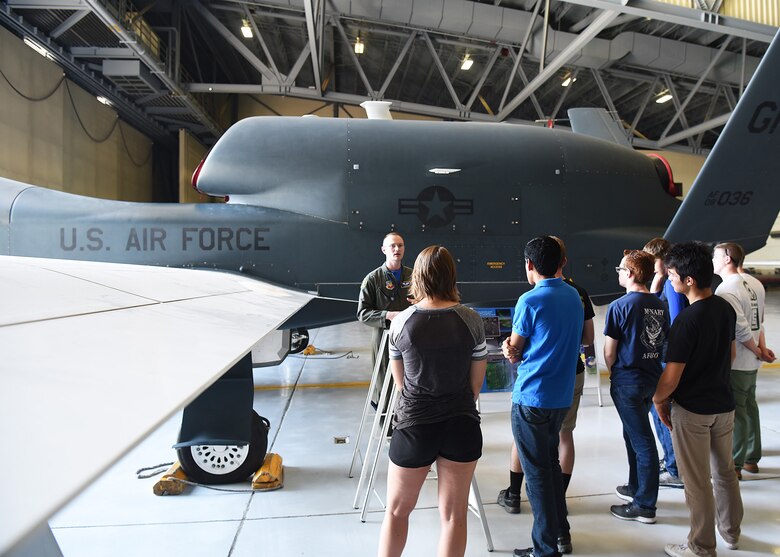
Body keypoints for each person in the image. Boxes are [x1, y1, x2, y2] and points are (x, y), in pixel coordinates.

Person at [377, 245, 487, 557]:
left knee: (397, 512)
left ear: (419, 276)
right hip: (461, 424)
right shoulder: (472, 320)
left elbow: (401, 384)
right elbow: (475, 386)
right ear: (451, 276)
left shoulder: (401, 322)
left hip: (415, 426)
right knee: (454, 517)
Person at [497, 237, 595, 556]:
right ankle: (560, 533)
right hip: (560, 397)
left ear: (529, 264)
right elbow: (583, 339)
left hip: (531, 399)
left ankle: (544, 550)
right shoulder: (574, 296)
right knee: (550, 467)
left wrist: (507, 348)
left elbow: (514, 350)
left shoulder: (530, 300)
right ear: (561, 263)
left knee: (537, 476)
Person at [652, 242, 743, 557]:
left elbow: (672, 376)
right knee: (725, 472)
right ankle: (731, 533)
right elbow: (729, 355)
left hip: (693, 411)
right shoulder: (724, 308)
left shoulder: (687, 321)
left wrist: (658, 399)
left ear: (688, 280)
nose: (670, 280)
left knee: (697, 482)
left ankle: (701, 546)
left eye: (673, 275)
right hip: (724, 405)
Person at [605, 250, 668, 524]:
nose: (618, 273)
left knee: (643, 444)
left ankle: (645, 506)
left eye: (620, 269)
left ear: (629, 273)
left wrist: (616, 371)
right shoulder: (659, 304)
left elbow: (609, 352)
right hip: (651, 379)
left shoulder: (619, 306)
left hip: (627, 381)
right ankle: (634, 487)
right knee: (633, 434)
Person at [713, 243, 775, 479]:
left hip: (738, 358)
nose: (713, 261)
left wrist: (758, 350)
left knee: (737, 412)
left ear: (728, 258)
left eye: (715, 256)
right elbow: (759, 322)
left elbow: (740, 329)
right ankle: (751, 457)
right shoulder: (755, 283)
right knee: (750, 406)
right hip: (751, 359)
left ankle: (735, 464)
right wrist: (761, 348)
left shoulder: (726, 289)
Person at [643, 237, 687, 488]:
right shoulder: (665, 282)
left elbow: (677, 320)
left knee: (662, 412)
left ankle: (674, 468)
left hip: (666, 356)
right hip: (664, 354)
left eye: (653, 261)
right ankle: (671, 460)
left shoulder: (671, 285)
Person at [357, 232, 413, 407]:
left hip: (411, 337)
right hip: (384, 338)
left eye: (400, 245)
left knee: (412, 380)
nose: (397, 249)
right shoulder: (373, 279)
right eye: (392, 246)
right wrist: (388, 315)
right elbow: (363, 313)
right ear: (384, 250)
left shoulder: (414, 276)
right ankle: (386, 428)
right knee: (384, 385)